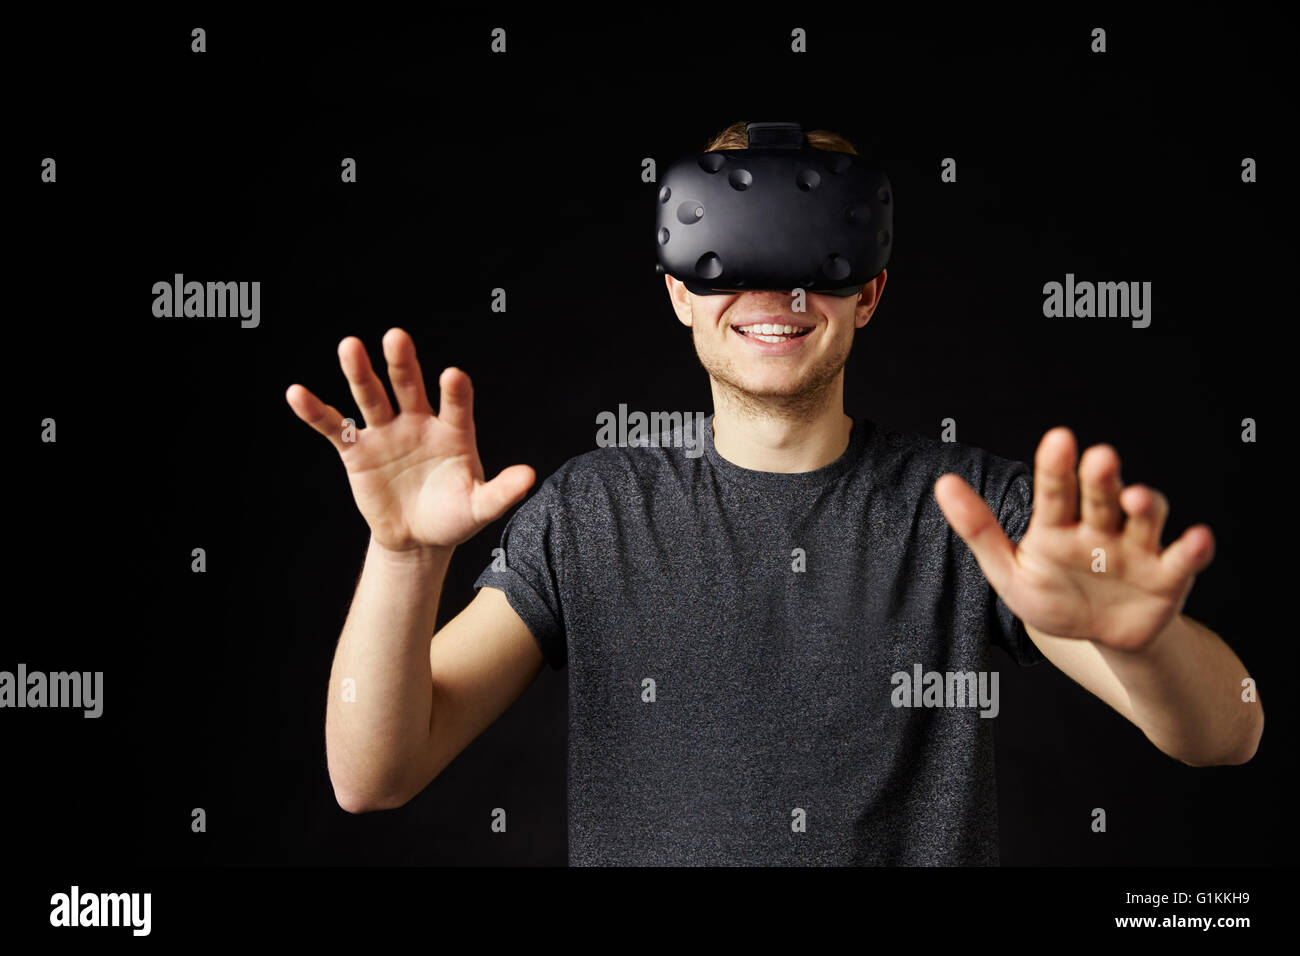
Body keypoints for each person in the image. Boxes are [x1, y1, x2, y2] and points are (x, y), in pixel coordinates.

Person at [284, 123, 1263, 865]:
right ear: (676, 287)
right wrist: (404, 557)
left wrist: (1142, 638)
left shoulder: (975, 513)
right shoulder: (589, 514)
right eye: (729, 257)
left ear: (867, 291)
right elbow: (373, 774)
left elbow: (1230, 730)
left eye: (816, 261)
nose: (776, 294)